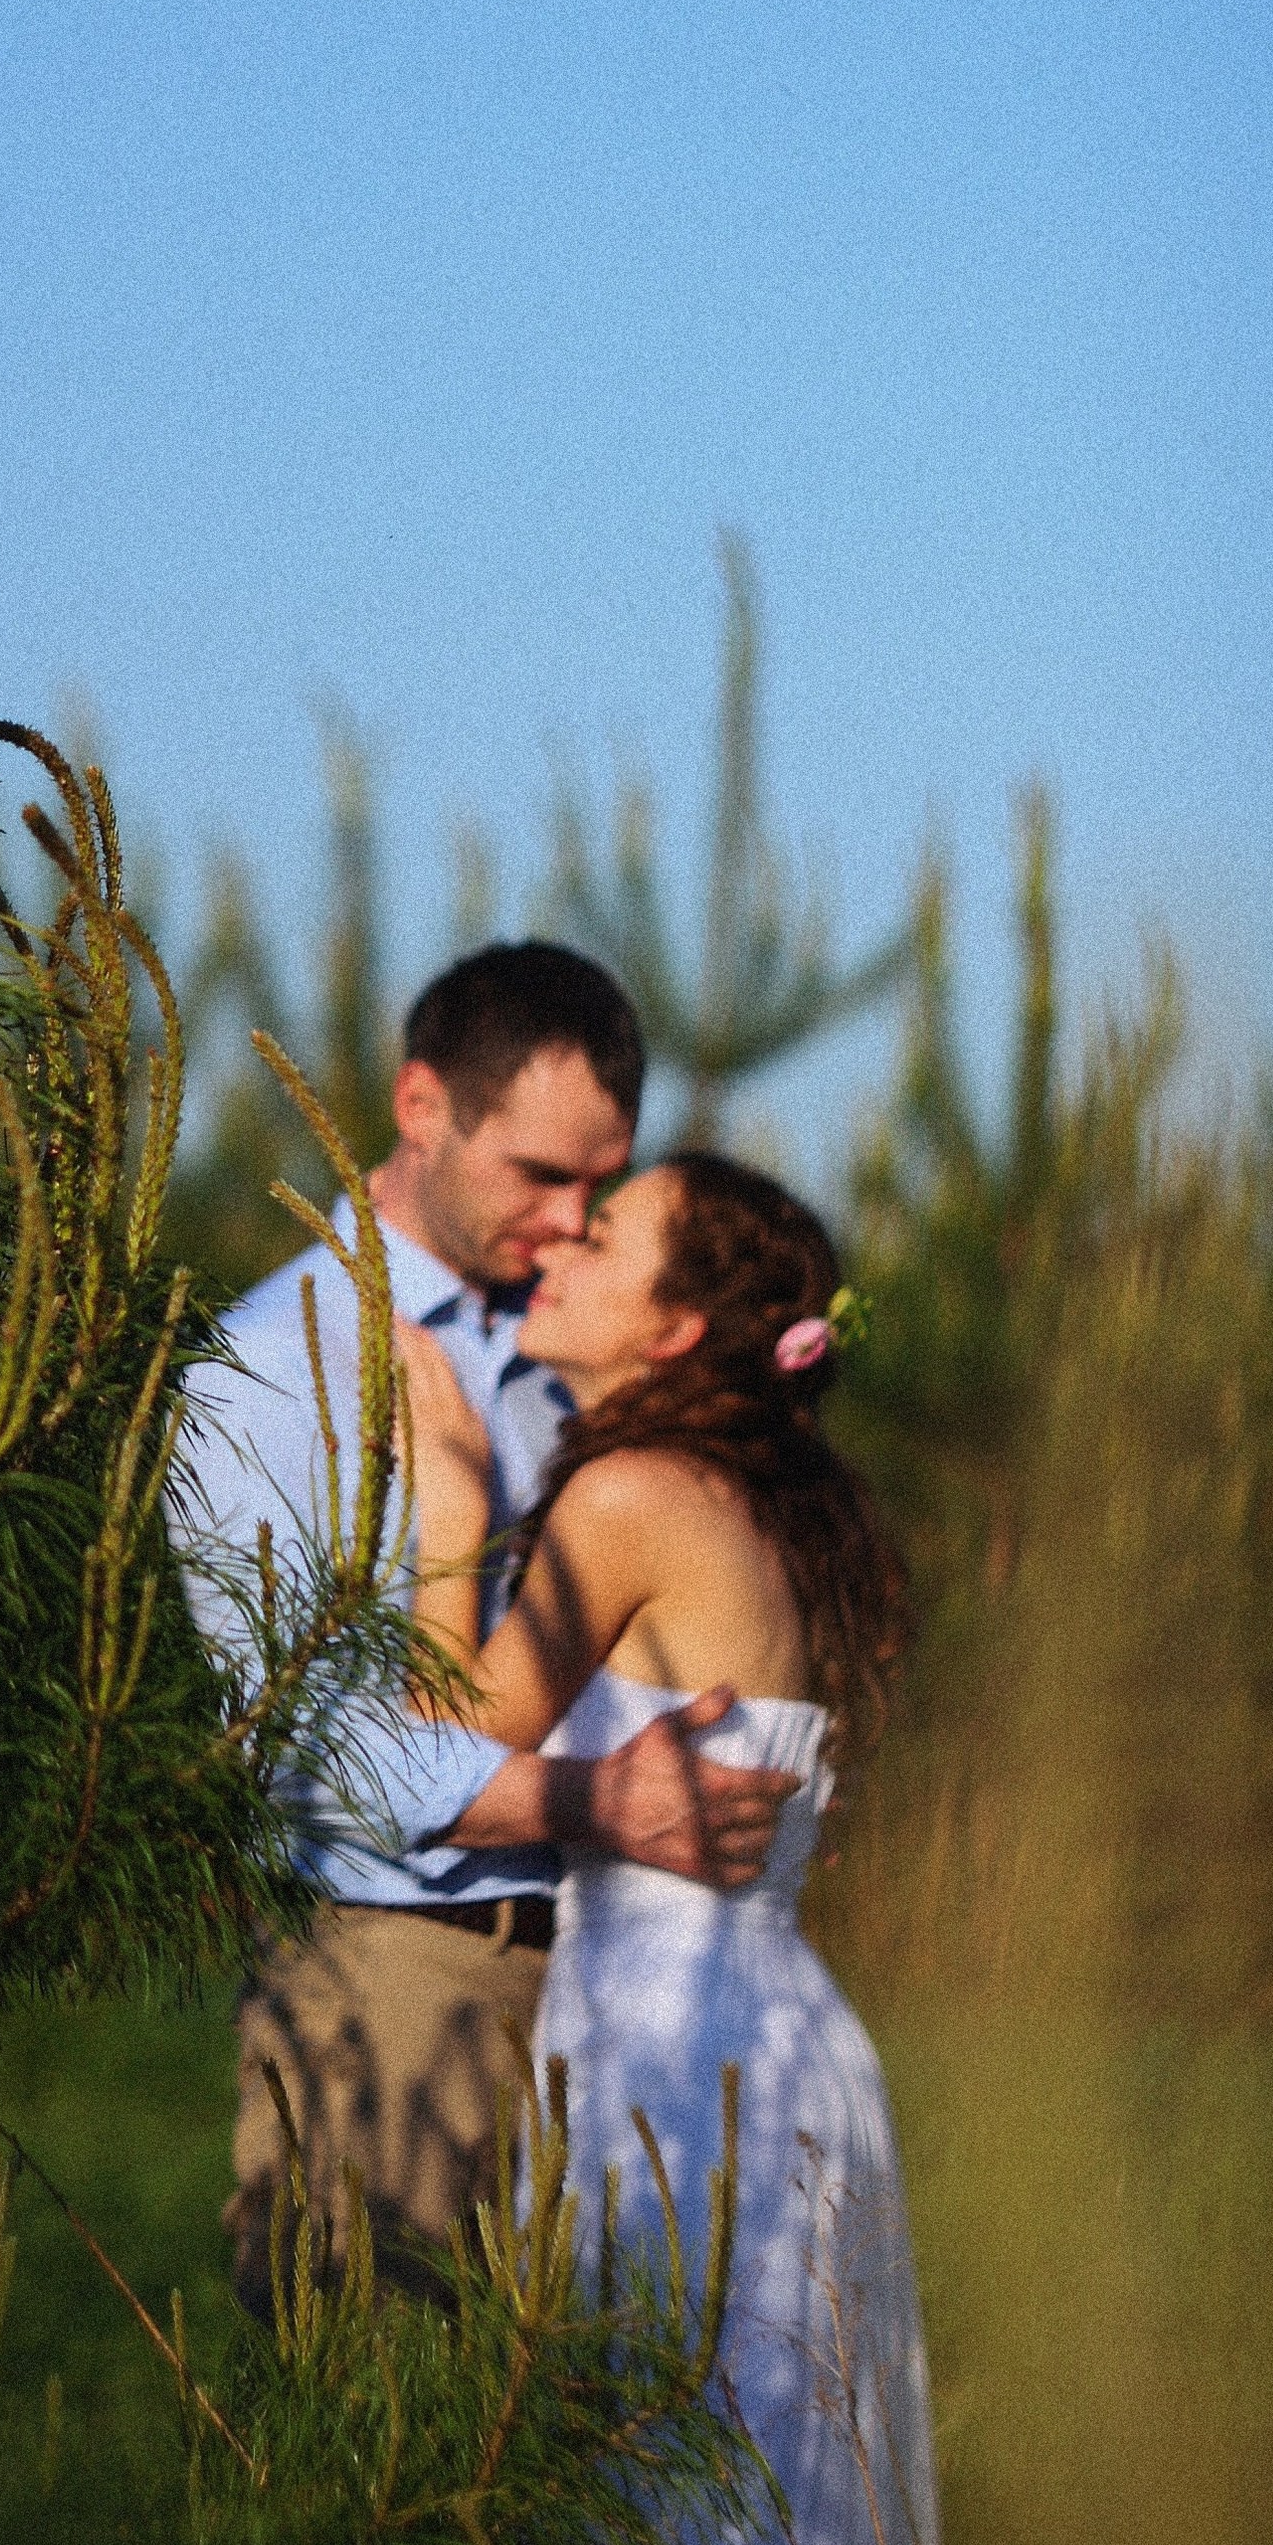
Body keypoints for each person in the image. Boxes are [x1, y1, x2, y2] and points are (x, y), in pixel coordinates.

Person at [399, 1151, 943, 2545]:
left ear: (677, 1323)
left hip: (670, 2054)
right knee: (780, 2489)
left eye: (608, 1232)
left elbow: (441, 1737)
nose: (563, 1242)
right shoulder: (762, 1509)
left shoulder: (627, 1501)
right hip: (778, 2038)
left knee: (672, 2484)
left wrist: (442, 1503)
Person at [180, 943, 802, 2320]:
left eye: (601, 1184)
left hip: (605, 1998)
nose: (575, 1221)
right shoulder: (271, 1372)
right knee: (372, 2437)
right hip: (395, 1981)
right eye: (541, 1177)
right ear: (422, 1109)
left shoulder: (583, 1343)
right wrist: (597, 1800)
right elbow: (303, 1741)